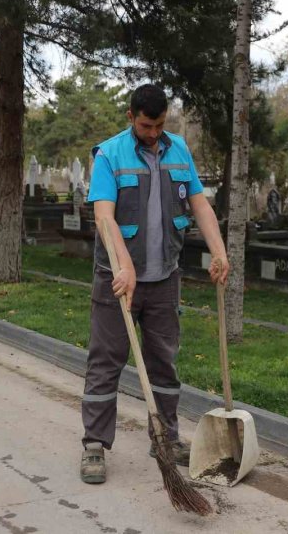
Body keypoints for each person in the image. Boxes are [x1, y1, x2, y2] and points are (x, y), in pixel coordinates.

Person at [80, 84, 229, 484]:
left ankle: (165, 438)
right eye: (147, 125)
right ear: (131, 117)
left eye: (160, 125)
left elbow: (199, 204)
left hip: (165, 277)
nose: (153, 133)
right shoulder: (110, 155)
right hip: (117, 280)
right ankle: (95, 443)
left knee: (164, 362)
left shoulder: (178, 149)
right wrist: (123, 267)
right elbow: (104, 219)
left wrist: (219, 251)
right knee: (106, 361)